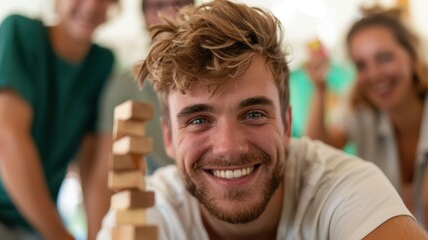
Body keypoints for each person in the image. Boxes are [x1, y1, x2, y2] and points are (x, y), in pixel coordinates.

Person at [97, 1, 428, 239]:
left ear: (286, 122)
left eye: (253, 114)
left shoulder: (343, 188)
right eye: (198, 120)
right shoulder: (147, 214)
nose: (228, 147)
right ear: (168, 137)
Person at [0, 0, 117, 239]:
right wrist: (59, 235)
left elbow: (91, 161)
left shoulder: (101, 63)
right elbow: (7, 137)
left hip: (38, 224)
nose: (92, 5)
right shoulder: (20, 32)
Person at [306, 11, 428, 225]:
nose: (374, 75)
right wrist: (319, 88)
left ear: (411, 55)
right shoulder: (361, 111)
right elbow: (318, 153)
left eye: (384, 58)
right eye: (362, 65)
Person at [97, 0, 194, 175]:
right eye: (158, 6)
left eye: (179, 3)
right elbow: (106, 170)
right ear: (144, 16)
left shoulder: (221, 77)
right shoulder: (124, 86)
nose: (170, 15)